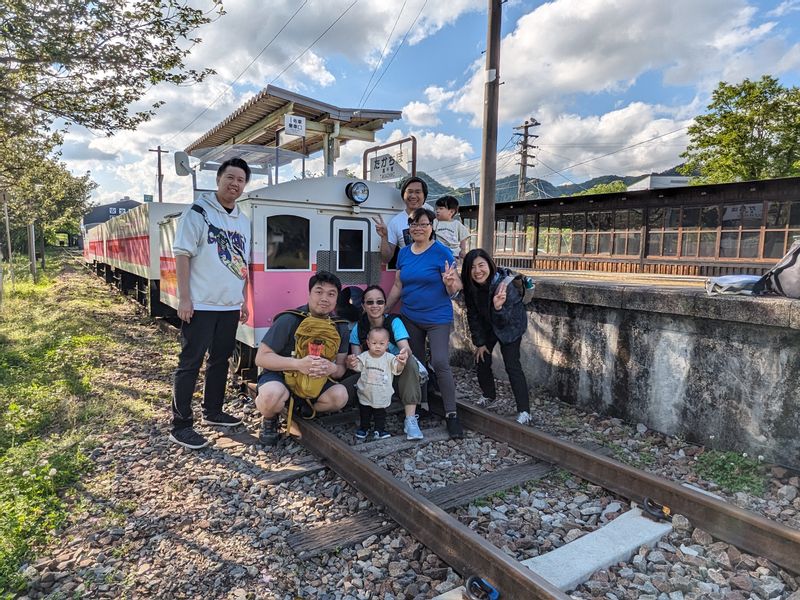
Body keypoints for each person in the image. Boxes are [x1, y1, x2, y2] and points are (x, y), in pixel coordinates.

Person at [170, 157, 252, 450]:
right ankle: (180, 424)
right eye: (230, 177)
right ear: (218, 179)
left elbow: (242, 263)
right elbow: (182, 254)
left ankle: (213, 411)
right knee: (190, 363)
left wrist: (242, 300)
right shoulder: (199, 212)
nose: (235, 184)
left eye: (241, 180)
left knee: (221, 360)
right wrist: (185, 298)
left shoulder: (243, 220)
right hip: (201, 304)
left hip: (229, 305)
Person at [385, 207, 465, 439]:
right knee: (416, 365)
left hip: (438, 318)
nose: (418, 228)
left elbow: (456, 288)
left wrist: (450, 282)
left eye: (423, 224)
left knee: (440, 362)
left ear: (432, 227)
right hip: (411, 316)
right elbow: (399, 285)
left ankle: (452, 414)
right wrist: (385, 310)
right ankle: (420, 407)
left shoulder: (443, 253)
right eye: (414, 224)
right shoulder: (404, 253)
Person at [254, 271, 350, 446]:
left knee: (340, 396)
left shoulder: (340, 327)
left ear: (336, 299)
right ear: (309, 294)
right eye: (319, 292)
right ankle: (270, 418)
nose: (324, 298)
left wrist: (333, 368)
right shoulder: (289, 319)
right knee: (270, 395)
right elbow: (261, 358)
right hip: (281, 376)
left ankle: (303, 407)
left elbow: (341, 368)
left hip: (315, 382)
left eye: (331, 294)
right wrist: (297, 364)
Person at [461, 249, 531, 425]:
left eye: (481, 265)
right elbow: (473, 314)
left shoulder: (504, 286)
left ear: (490, 265)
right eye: (472, 267)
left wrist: (498, 307)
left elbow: (506, 320)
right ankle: (488, 394)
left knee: (512, 365)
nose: (477, 271)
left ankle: (524, 411)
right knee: (481, 357)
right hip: (487, 324)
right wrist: (480, 342)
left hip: (510, 326)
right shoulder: (471, 286)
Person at [346, 284, 425, 440]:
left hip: (394, 373)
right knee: (342, 391)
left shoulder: (394, 322)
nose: (375, 306)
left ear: (384, 304)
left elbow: (405, 349)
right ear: (363, 306)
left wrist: (402, 356)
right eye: (370, 302)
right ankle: (365, 421)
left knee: (409, 362)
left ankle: (410, 419)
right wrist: (351, 362)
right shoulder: (359, 328)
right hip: (371, 376)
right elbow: (356, 363)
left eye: (379, 302)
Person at [349, 328, 408, 440]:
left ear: (387, 344)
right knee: (364, 413)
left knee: (380, 414)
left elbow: (397, 369)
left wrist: (401, 363)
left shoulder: (390, 358)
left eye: (381, 343)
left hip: (382, 394)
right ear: (368, 343)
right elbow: (357, 367)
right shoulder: (364, 356)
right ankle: (364, 428)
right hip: (365, 393)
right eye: (374, 343)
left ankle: (379, 429)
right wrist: (352, 362)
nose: (377, 346)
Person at [373, 176, 434, 266]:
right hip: (408, 274)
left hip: (433, 274)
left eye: (418, 192)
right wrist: (384, 237)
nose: (413, 196)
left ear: (424, 195)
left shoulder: (434, 218)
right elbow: (386, 258)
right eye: (409, 192)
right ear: (403, 195)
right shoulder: (395, 222)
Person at [433, 195, 470, 261]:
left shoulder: (457, 224)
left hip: (454, 253)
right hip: (439, 252)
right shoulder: (436, 221)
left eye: (441, 208)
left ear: (451, 212)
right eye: (436, 209)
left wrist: (463, 250)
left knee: (452, 268)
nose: (437, 211)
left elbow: (463, 237)